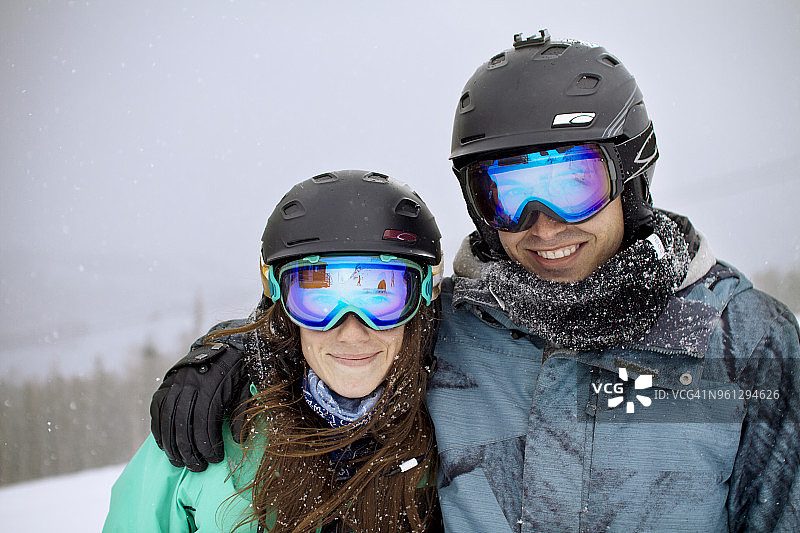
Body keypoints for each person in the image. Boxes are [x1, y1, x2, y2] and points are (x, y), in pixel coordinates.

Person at [148, 31, 800, 531]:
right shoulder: (457, 325)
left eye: (572, 184)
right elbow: (338, 326)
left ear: (632, 176)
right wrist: (230, 352)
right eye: (508, 193)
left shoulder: (742, 342)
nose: (542, 225)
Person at [105, 170, 445, 532]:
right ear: (282, 307)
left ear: (423, 298)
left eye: (382, 295)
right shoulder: (200, 439)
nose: (351, 331)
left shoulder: (457, 432)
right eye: (318, 298)